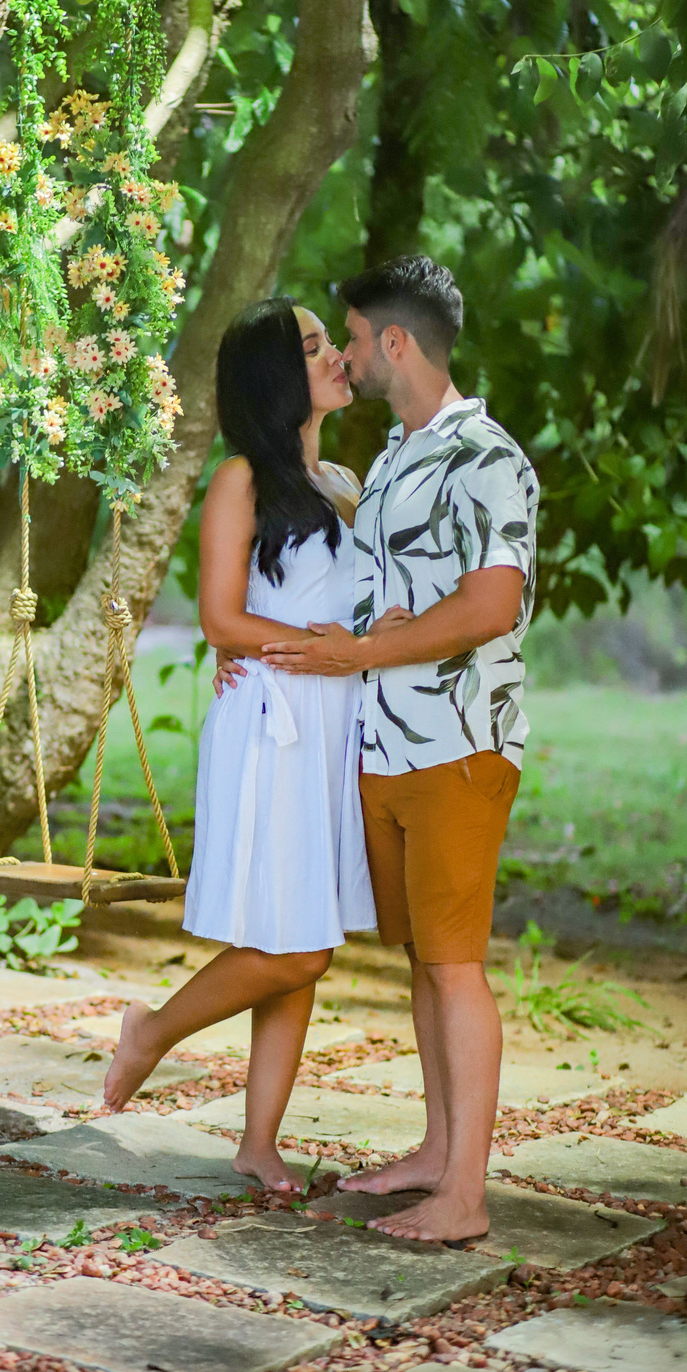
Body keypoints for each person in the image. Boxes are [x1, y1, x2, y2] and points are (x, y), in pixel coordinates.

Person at [260, 256, 538, 1245]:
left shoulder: (486, 456)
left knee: (457, 965)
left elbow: (489, 603)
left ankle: (465, 1195)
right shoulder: (390, 462)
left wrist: (368, 650)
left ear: (396, 342)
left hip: (460, 744)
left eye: (350, 335)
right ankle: (433, 1150)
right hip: (385, 746)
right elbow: (372, 586)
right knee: (425, 957)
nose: (341, 354)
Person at [103, 297, 380, 1190]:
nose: (338, 354)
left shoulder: (343, 482)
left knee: (305, 934)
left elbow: (354, 610)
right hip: (272, 723)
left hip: (331, 723)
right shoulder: (240, 479)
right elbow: (222, 616)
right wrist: (308, 651)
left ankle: (259, 1144)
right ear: (275, 376)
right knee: (295, 944)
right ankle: (152, 1031)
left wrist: (369, 639)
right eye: (314, 346)